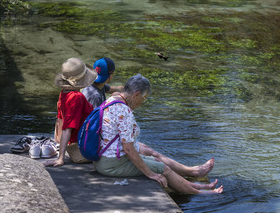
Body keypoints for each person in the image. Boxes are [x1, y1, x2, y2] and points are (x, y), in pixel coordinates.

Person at [82, 57, 215, 178]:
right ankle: (190, 172)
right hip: (94, 144)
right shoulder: (94, 96)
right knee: (148, 151)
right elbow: (97, 126)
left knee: (146, 148)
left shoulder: (94, 86)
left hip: (98, 140)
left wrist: (131, 88)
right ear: (110, 76)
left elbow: (113, 89)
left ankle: (188, 171)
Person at [94, 74, 223, 194]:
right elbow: (128, 149)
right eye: (143, 99)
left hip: (102, 157)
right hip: (112, 164)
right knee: (163, 169)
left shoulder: (112, 99)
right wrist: (150, 174)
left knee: (155, 160)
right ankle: (202, 193)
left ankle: (196, 185)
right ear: (136, 95)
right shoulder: (124, 111)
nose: (141, 103)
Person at [44, 57, 97, 167]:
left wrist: (58, 143)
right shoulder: (77, 97)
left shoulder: (63, 93)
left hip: (75, 142)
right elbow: (67, 127)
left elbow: (59, 120)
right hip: (83, 144)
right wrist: (60, 158)